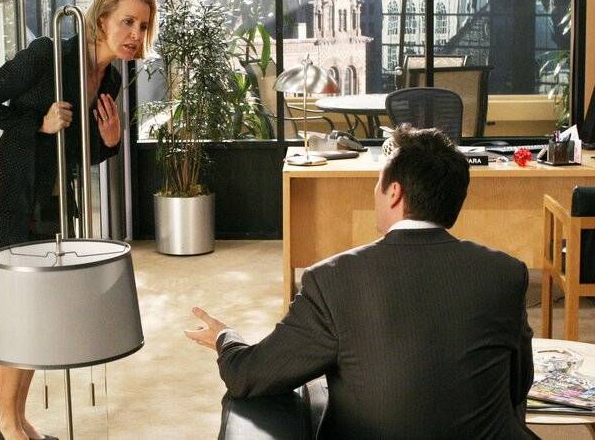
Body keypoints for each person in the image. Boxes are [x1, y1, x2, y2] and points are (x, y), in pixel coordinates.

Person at [185, 125, 538, 440]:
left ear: (394, 192)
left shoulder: (332, 279)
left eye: (378, 181)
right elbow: (518, 385)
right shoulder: (506, 272)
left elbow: (249, 376)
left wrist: (226, 338)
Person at [0, 0, 157, 440]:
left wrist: (109, 142)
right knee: (14, 314)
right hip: (10, 198)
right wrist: (38, 122)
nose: (135, 34)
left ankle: (16, 419)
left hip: (51, 203)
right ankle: (7, 422)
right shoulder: (48, 54)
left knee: (36, 313)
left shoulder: (109, 78)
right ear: (101, 19)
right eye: (127, 21)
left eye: (144, 26)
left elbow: (78, 150)